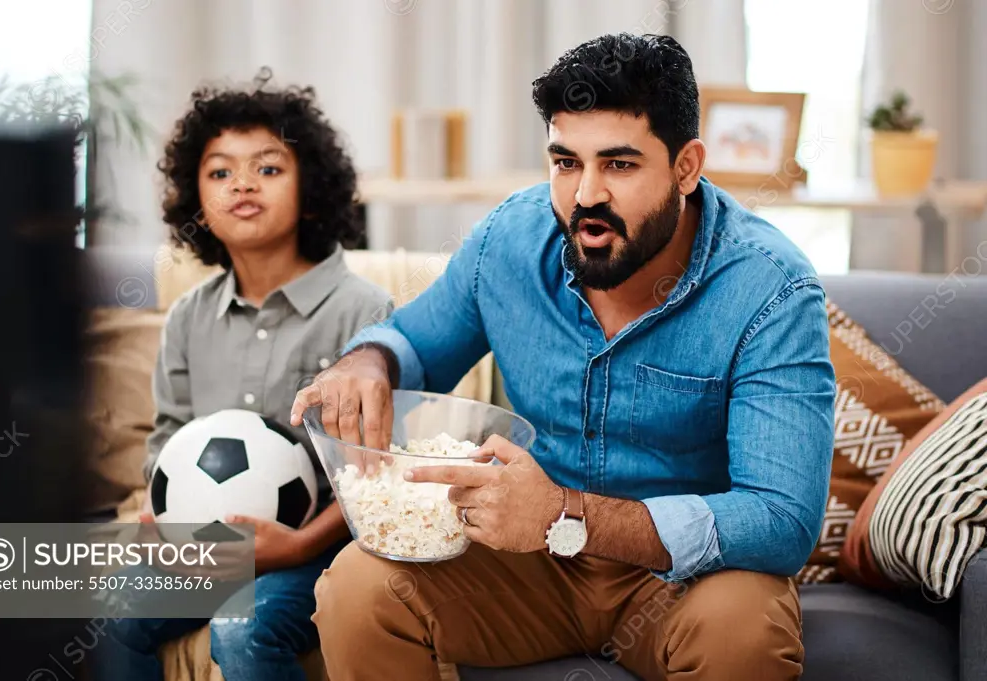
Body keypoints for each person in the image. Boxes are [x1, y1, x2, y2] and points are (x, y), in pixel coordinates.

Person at [290, 34, 835, 681]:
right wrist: (369, 361)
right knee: (356, 588)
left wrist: (565, 512)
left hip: (684, 582)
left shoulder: (771, 290)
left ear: (687, 167)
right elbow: (415, 340)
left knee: (746, 630)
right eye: (566, 162)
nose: (586, 196)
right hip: (529, 562)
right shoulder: (509, 240)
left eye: (620, 165)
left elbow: (781, 518)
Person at [98, 71, 392, 681]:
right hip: (210, 549)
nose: (242, 185)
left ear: (311, 188)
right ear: (195, 196)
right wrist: (164, 514)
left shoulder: (363, 313)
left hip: (324, 549)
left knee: (243, 632)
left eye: (268, 168)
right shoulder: (187, 318)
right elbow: (169, 439)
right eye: (220, 172)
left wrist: (302, 544)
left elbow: (381, 467)